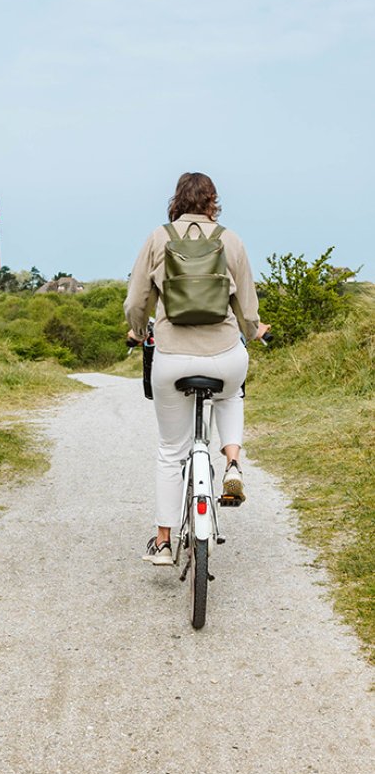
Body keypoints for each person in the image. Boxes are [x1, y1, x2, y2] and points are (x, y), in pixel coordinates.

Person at [124, 172, 269, 566]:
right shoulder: (231, 239)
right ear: (212, 202)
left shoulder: (159, 238)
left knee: (172, 451)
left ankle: (163, 541)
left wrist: (139, 333)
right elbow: (247, 307)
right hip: (224, 353)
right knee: (231, 392)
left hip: (171, 357)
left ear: (176, 200)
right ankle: (233, 461)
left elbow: (137, 301)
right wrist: (253, 332)